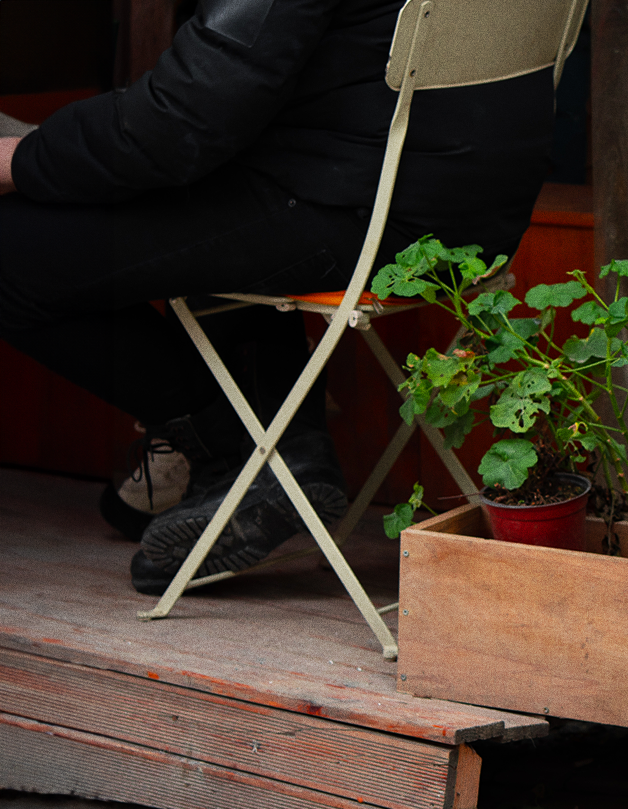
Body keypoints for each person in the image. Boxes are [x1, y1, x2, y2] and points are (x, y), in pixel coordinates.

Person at [0, 0, 557, 593]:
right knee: (215, 172)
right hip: (473, 220)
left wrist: (21, 158)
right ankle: (280, 445)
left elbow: (180, 122)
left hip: (357, 210)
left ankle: (242, 455)